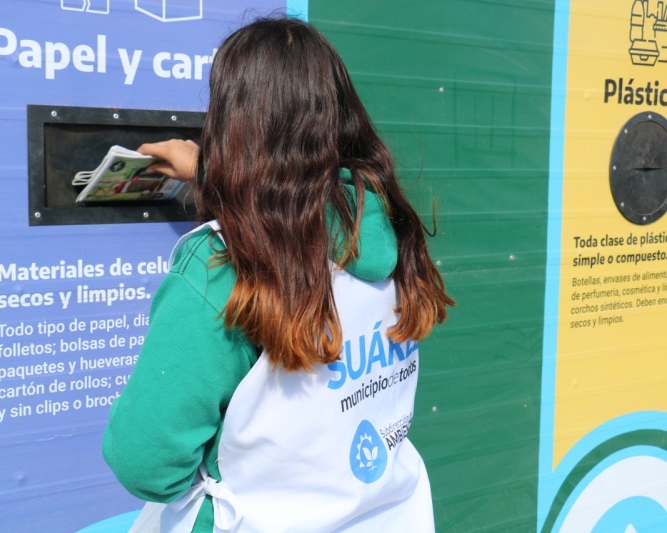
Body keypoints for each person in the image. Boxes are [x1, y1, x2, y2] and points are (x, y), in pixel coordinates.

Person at [103, 16, 454, 533]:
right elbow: (304, 214)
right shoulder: (386, 225)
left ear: (231, 120)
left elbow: (144, 460)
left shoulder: (218, 268)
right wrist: (209, 176)